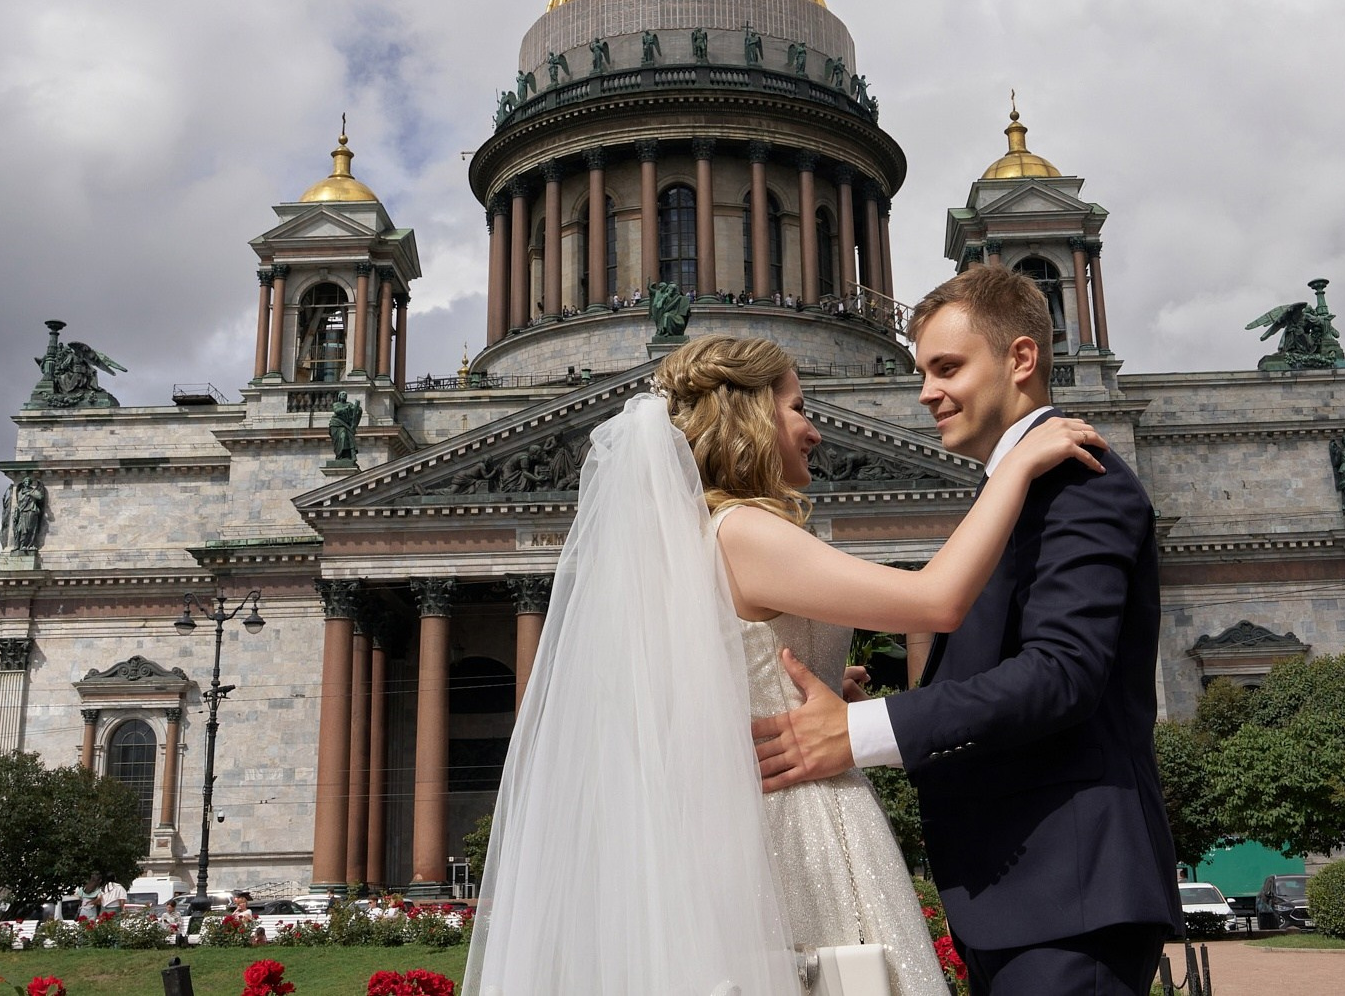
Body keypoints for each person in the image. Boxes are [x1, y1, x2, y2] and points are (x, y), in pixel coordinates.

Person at [463, 333, 1106, 995]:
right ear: (754, 415)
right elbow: (934, 600)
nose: (814, 431)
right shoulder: (745, 531)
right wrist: (1014, 469)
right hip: (802, 822)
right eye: (799, 407)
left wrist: (822, 681)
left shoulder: (693, 540)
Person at [752, 265, 1183, 995]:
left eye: (946, 366)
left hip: (1067, 893)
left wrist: (856, 734)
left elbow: (1061, 674)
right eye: (923, 369)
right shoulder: (1016, 484)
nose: (924, 391)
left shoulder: (1078, 479)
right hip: (1024, 896)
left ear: (1022, 358)